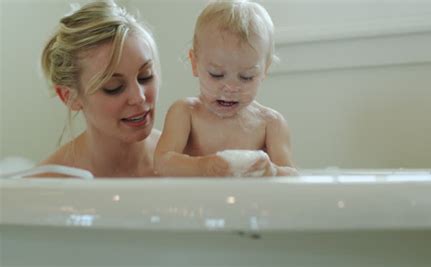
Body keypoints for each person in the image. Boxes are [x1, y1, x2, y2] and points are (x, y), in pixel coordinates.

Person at [154, 0, 298, 177]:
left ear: (264, 71)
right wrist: (202, 166)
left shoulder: (270, 124)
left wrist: (273, 171)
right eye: (216, 74)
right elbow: (162, 162)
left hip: (250, 204)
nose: (230, 88)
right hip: (196, 204)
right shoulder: (185, 113)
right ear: (194, 63)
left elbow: (292, 176)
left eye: (246, 77)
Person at [38, 1, 161, 177]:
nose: (139, 97)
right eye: (114, 88)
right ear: (69, 97)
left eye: (145, 76)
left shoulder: (191, 167)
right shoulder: (43, 188)